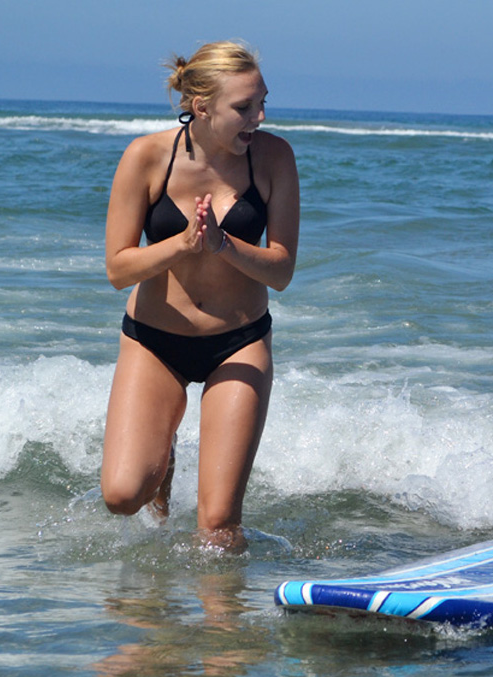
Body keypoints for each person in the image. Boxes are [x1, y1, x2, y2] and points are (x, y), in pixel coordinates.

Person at [100, 41, 300, 551]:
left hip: (239, 342)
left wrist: (222, 244)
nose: (258, 117)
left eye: (262, 103)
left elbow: (281, 270)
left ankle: (221, 629)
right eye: (244, 108)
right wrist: (183, 243)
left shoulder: (274, 157)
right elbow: (119, 269)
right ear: (201, 106)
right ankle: (160, 462)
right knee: (123, 495)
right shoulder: (145, 157)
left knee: (217, 529)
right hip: (154, 341)